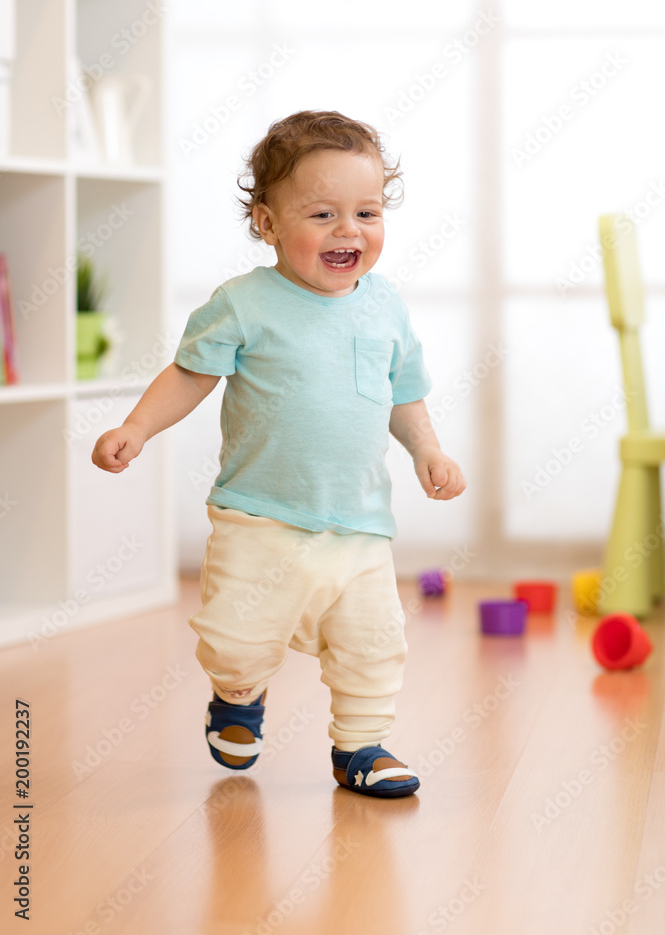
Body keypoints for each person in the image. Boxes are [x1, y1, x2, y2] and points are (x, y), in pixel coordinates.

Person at [92, 110, 466, 798]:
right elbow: (190, 374)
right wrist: (137, 428)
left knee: (372, 643)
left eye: (366, 211)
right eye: (322, 214)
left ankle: (361, 746)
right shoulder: (244, 304)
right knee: (236, 637)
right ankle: (237, 693)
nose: (348, 230)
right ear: (266, 223)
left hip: (356, 524)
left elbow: (402, 394)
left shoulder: (384, 308)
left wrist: (427, 452)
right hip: (259, 517)